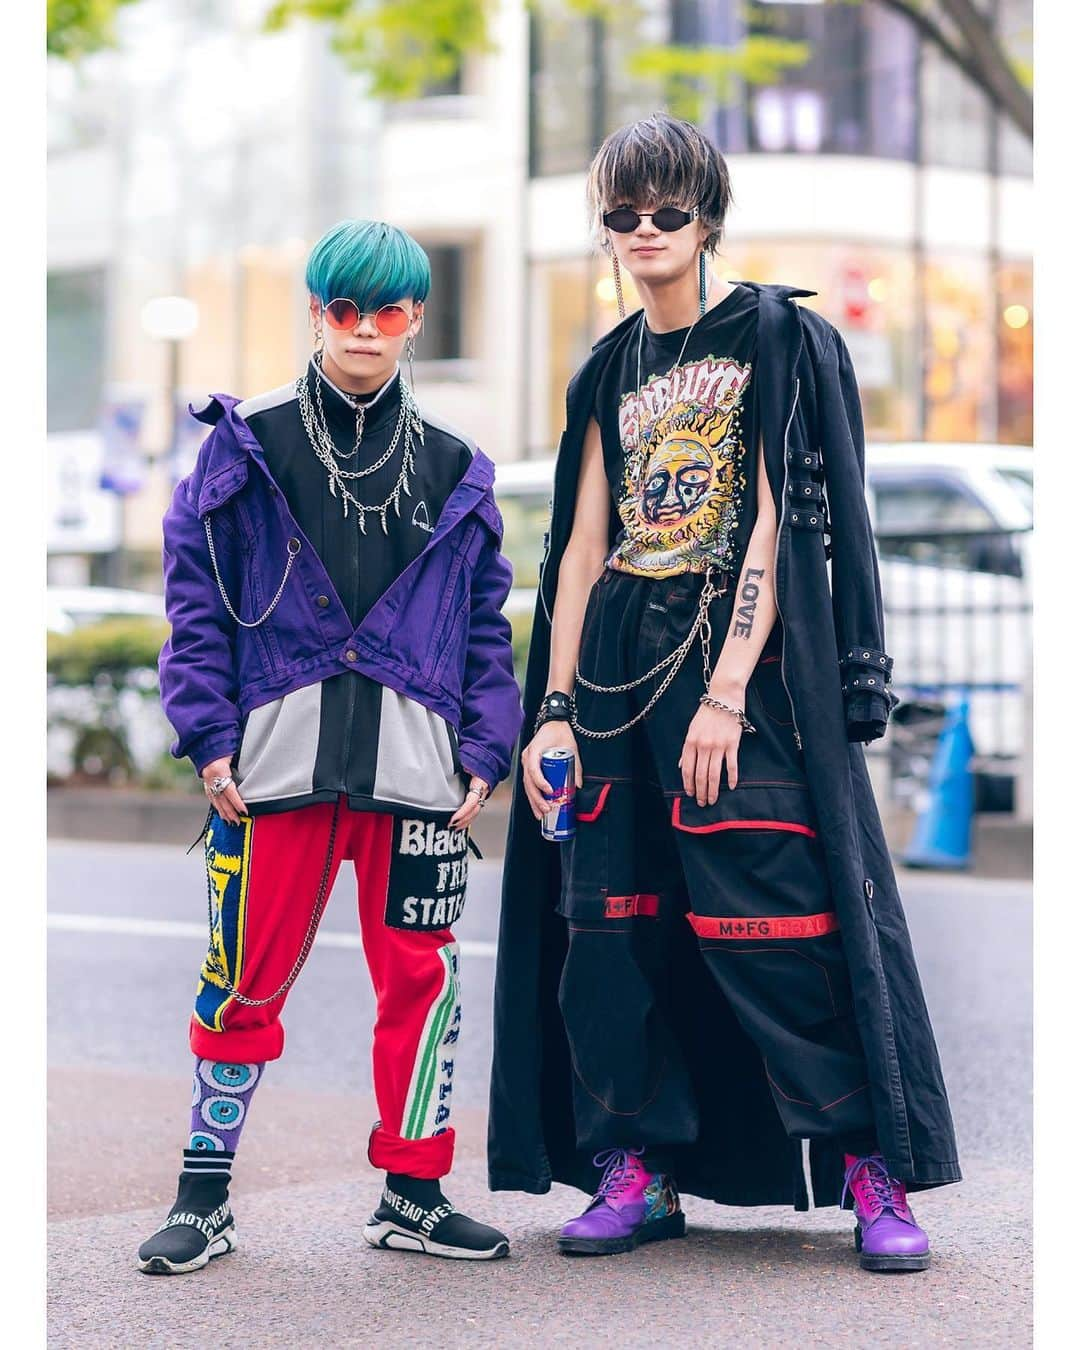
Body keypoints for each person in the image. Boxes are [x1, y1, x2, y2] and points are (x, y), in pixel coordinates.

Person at [488, 113, 960, 1272]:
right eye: (624, 215)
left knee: (780, 917)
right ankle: (637, 1164)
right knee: (609, 929)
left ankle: (869, 1165)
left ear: (707, 217)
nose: (645, 232)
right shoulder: (606, 366)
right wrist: (552, 712)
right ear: (603, 229)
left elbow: (771, 532)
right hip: (611, 679)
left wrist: (728, 692)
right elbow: (581, 553)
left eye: (668, 211)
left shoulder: (773, 337)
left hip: (731, 671)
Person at [138, 219, 522, 1273]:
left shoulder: (455, 463)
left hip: (416, 772)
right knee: (240, 976)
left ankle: (415, 1191)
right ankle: (203, 1195)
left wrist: (485, 752)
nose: (362, 329)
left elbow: (486, 621)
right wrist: (208, 741)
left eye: (385, 311)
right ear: (316, 311)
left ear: (415, 320)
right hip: (270, 770)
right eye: (342, 308)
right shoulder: (247, 438)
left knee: (423, 979)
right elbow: (197, 600)